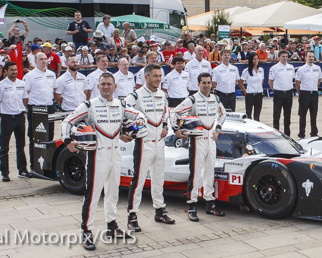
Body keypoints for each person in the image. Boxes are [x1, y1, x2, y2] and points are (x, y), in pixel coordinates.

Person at [61, 72, 143, 250]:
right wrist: (68, 141)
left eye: (109, 84)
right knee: (93, 194)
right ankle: (87, 231)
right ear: (98, 86)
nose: (106, 87)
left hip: (115, 154)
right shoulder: (89, 105)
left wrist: (134, 127)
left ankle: (112, 225)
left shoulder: (121, 104)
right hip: (97, 156)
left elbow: (137, 115)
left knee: (113, 192)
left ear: (115, 86)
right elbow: (67, 121)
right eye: (103, 84)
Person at [125, 64, 176, 231]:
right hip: (143, 143)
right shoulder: (136, 95)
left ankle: (160, 210)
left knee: (158, 178)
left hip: (159, 143)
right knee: (138, 180)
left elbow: (166, 114)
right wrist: (131, 126)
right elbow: (123, 108)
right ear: (146, 77)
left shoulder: (163, 95)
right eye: (155, 76)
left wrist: (166, 127)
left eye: (160, 76)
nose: (158, 79)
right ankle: (132, 216)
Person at [173, 72, 227, 222]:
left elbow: (223, 115)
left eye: (208, 82)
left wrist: (218, 129)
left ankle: (210, 203)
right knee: (196, 173)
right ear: (198, 84)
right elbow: (175, 111)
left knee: (209, 171)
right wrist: (177, 129)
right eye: (203, 82)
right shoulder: (193, 99)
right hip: (197, 140)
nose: (206, 85)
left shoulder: (215, 98)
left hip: (211, 139)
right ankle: (192, 206)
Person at [0, 61, 31, 181]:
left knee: (21, 145)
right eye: (11, 70)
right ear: (5, 71)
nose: (14, 72)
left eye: (15, 69)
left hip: (19, 117)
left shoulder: (22, 84)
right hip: (7, 117)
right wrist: (2, 115)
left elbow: (25, 100)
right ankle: (4, 172)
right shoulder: (0, 86)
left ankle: (22, 170)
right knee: (4, 146)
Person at [22, 52, 56, 165]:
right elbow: (25, 95)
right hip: (36, 108)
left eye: (45, 59)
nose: (43, 61)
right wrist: (28, 109)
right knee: (35, 137)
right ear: (35, 61)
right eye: (41, 59)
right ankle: (34, 164)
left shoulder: (52, 74)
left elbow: (54, 91)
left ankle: (48, 163)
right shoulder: (29, 76)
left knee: (49, 136)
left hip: (49, 107)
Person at [295, 51, 322, 139]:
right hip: (304, 93)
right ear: (305, 57)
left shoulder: (317, 68)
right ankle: (302, 133)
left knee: (314, 114)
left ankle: (314, 132)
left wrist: (314, 88)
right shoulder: (301, 69)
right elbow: (297, 82)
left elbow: (319, 80)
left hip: (314, 93)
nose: (311, 58)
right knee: (302, 115)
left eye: (312, 56)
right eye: (309, 56)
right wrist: (301, 92)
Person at [269, 50, 295, 136]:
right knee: (276, 115)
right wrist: (275, 90)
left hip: (288, 93)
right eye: (283, 56)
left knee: (287, 115)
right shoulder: (274, 68)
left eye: (286, 56)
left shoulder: (291, 67)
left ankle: (287, 134)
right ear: (279, 57)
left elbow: (292, 79)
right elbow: (270, 81)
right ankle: (276, 134)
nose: (284, 58)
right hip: (278, 93)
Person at [239, 52, 264, 121]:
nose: (256, 61)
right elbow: (240, 83)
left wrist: (259, 87)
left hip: (259, 94)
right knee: (248, 114)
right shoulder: (246, 71)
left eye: (257, 59)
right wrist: (245, 91)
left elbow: (262, 80)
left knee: (257, 114)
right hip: (250, 94)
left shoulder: (261, 70)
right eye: (254, 59)